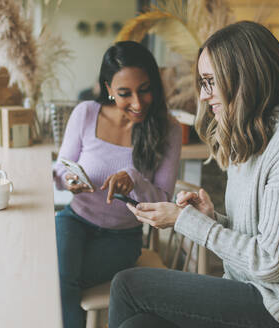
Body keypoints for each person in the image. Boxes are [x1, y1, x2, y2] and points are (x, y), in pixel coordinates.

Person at [108, 21, 279, 328]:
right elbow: (262, 238)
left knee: (128, 285)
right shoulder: (251, 136)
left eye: (210, 81)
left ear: (244, 78)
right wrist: (212, 220)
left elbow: (273, 263)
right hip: (258, 292)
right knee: (138, 325)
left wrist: (186, 221)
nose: (203, 96)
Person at [53, 41, 182, 328]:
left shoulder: (169, 129)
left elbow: (164, 201)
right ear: (108, 89)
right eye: (125, 93)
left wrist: (133, 179)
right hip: (75, 220)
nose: (137, 103)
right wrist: (69, 179)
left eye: (145, 89)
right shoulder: (86, 113)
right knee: (59, 275)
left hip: (122, 237)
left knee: (60, 278)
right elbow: (61, 168)